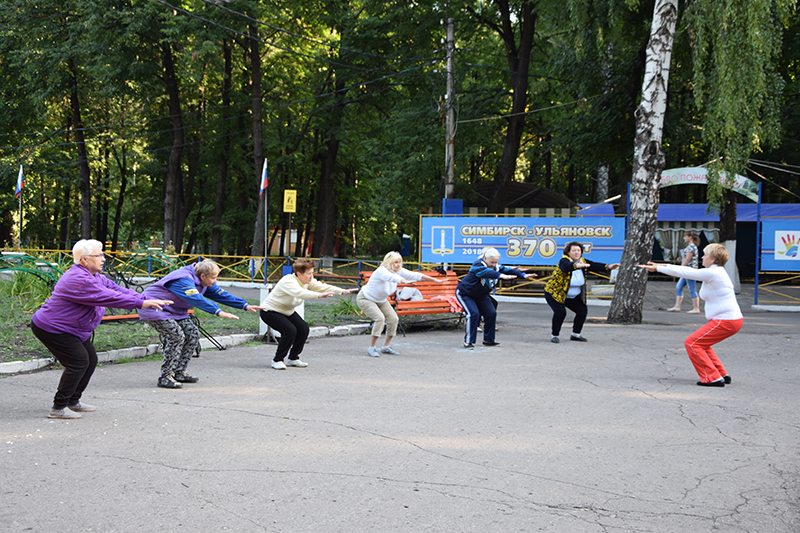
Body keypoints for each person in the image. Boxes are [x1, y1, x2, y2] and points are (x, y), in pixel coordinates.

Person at [30, 240, 173, 419]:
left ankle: (73, 401)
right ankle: (58, 407)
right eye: (98, 255)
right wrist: (141, 303)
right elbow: (108, 297)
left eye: (102, 254)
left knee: (90, 359)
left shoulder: (95, 276)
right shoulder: (79, 279)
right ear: (83, 260)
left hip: (73, 329)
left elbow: (118, 290)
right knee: (78, 362)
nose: (103, 259)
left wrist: (146, 298)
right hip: (53, 328)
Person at [139, 259, 263, 389]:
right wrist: (218, 311)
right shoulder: (183, 279)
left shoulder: (203, 280)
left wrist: (244, 305)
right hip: (154, 308)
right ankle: (165, 377)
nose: (216, 281)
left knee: (192, 334)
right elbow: (196, 298)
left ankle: (179, 372)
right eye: (214, 278)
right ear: (203, 276)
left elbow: (221, 295)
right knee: (176, 336)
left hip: (174, 310)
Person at [639, 244, 742, 387]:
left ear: (713, 259)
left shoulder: (713, 273)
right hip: (729, 320)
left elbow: (686, 272)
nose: (702, 257)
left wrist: (658, 268)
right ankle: (721, 374)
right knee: (702, 344)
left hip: (726, 321)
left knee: (692, 343)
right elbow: (686, 269)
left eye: (705, 255)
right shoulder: (716, 271)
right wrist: (660, 265)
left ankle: (712, 377)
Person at [260, 258, 357, 369]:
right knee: (290, 330)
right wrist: (318, 295)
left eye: (312, 273)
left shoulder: (307, 282)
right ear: (299, 274)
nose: (311, 276)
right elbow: (300, 293)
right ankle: (277, 360)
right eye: (308, 273)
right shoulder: (288, 281)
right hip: (270, 311)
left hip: (286, 311)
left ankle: (293, 358)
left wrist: (341, 291)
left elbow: (322, 286)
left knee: (303, 328)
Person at [357, 252, 441, 357]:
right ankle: (372, 347)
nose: (398, 265)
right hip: (366, 298)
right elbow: (392, 278)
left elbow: (414, 275)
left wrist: (434, 280)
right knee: (380, 318)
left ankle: (386, 347)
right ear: (389, 262)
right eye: (395, 262)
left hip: (381, 300)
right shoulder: (381, 271)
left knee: (393, 319)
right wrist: (404, 281)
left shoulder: (398, 271)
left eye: (400, 262)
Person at [456, 247, 536, 349]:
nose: (493, 265)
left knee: (491, 313)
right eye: (492, 262)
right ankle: (468, 342)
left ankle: (488, 340)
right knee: (473, 314)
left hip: (481, 295)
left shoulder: (495, 266)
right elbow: (489, 273)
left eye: (495, 262)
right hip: (465, 293)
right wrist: (501, 276)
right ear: (485, 258)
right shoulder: (477, 266)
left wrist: (523, 275)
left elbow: (507, 270)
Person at [544, 242, 619, 343]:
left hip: (571, 296)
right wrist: (576, 265)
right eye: (573, 251)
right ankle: (554, 335)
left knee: (582, 311)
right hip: (555, 294)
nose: (576, 253)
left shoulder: (583, 261)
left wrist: (608, 267)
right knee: (560, 312)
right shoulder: (564, 261)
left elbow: (594, 265)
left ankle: (575, 334)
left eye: (578, 250)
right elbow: (566, 267)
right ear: (568, 252)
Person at [667, 231, 701, 313]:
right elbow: (688, 259)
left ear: (690, 237)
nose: (684, 238)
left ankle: (696, 308)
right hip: (686, 270)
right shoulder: (690, 246)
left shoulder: (691, 247)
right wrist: (681, 260)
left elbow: (688, 259)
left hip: (689, 271)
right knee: (679, 287)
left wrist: (681, 268)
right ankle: (677, 306)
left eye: (685, 236)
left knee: (692, 288)